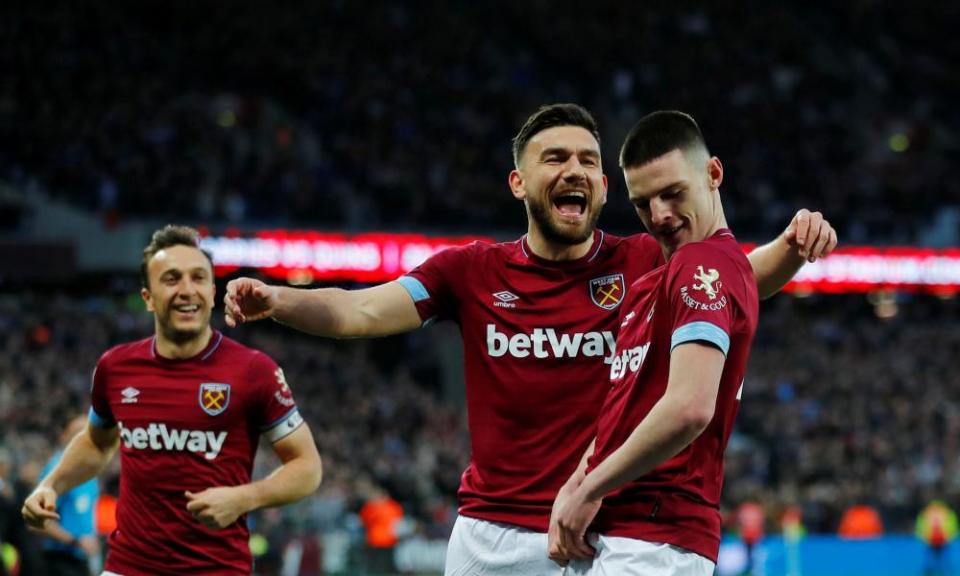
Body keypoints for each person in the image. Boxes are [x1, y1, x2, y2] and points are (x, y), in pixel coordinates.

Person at [223, 104, 836, 575]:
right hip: (489, 535)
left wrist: (793, 244)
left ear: (602, 187)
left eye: (589, 162)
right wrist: (281, 300)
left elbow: (733, 282)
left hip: (596, 531)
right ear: (518, 182)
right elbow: (360, 312)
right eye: (556, 158)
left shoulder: (647, 258)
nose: (575, 171)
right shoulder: (469, 271)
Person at [22, 224, 323, 575]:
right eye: (171, 279)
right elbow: (95, 443)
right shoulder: (115, 367)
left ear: (213, 293)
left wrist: (244, 498)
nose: (186, 290)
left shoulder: (253, 370)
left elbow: (307, 467)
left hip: (216, 569)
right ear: (148, 297)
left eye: (198, 278)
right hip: (127, 567)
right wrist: (50, 485)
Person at [548, 110, 767, 574]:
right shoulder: (654, 283)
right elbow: (623, 413)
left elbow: (689, 407)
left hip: (657, 538)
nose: (660, 216)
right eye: (643, 203)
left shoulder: (704, 265)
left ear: (713, 174)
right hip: (624, 533)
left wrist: (589, 489)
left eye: (673, 194)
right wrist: (577, 483)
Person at [34, 415, 101, 576]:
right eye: (77, 433)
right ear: (63, 436)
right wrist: (74, 541)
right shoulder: (57, 472)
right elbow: (36, 521)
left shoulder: (88, 471)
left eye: (88, 433)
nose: (83, 438)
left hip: (82, 560)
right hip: (61, 562)